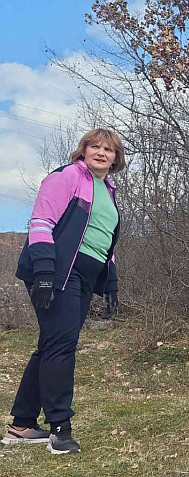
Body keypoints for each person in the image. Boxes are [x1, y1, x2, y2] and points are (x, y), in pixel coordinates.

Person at [5, 128, 124, 454]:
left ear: (116, 158)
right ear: (83, 150)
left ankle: (22, 424)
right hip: (58, 271)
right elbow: (41, 222)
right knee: (61, 347)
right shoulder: (68, 177)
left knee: (52, 344)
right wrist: (45, 272)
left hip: (84, 276)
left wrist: (110, 284)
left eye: (108, 149)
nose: (101, 152)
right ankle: (60, 429)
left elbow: (105, 241)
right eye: (95, 146)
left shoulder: (107, 190)